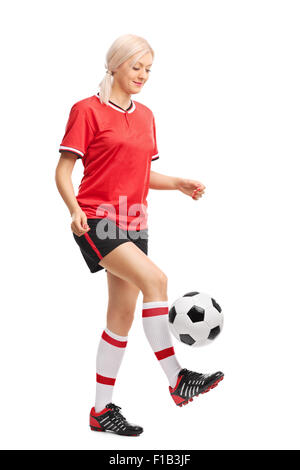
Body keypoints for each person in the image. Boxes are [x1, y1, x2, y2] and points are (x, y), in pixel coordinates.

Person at [55, 33, 224, 437]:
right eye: (136, 67)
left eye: (148, 69)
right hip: (98, 220)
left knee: (120, 318)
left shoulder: (146, 115)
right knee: (157, 280)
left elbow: (139, 173)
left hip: (135, 223)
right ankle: (177, 379)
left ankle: (100, 412)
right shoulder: (87, 111)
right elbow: (63, 171)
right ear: (114, 65)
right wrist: (74, 210)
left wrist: (178, 183)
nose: (143, 76)